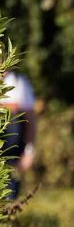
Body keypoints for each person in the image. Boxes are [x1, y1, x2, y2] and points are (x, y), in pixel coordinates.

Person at [1, 71, 36, 200]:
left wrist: (29, 151)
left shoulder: (19, 83)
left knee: (8, 201)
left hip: (11, 161)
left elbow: (30, 120)